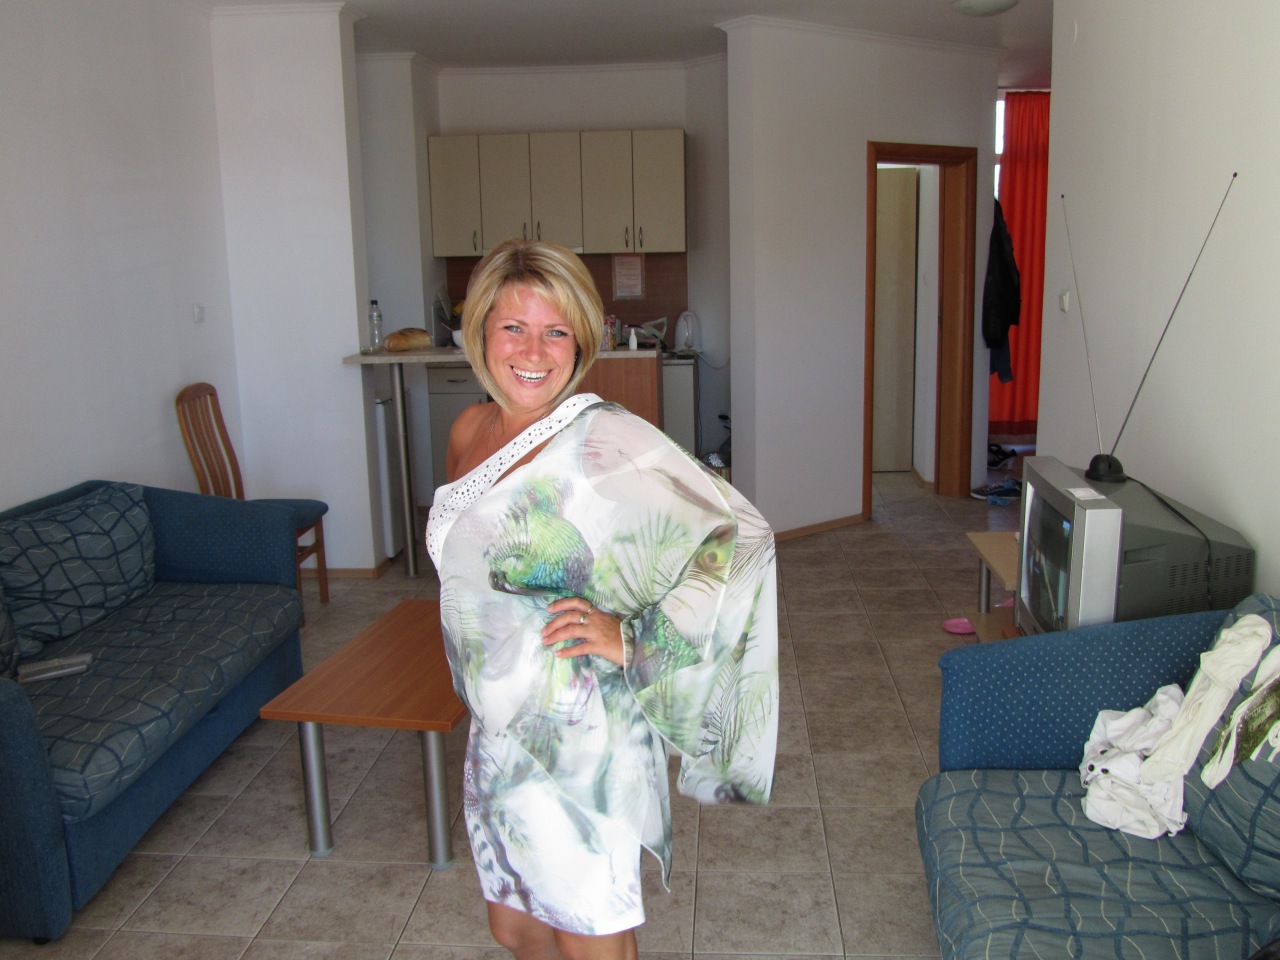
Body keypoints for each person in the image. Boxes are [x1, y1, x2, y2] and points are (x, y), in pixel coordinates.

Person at [425, 238, 778, 960]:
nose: (534, 351)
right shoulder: (468, 431)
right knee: (515, 926)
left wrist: (637, 640)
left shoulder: (601, 439)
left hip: (580, 737)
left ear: (581, 342)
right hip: (497, 735)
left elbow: (740, 538)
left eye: (556, 331)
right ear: (481, 333)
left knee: (588, 936)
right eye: (513, 327)